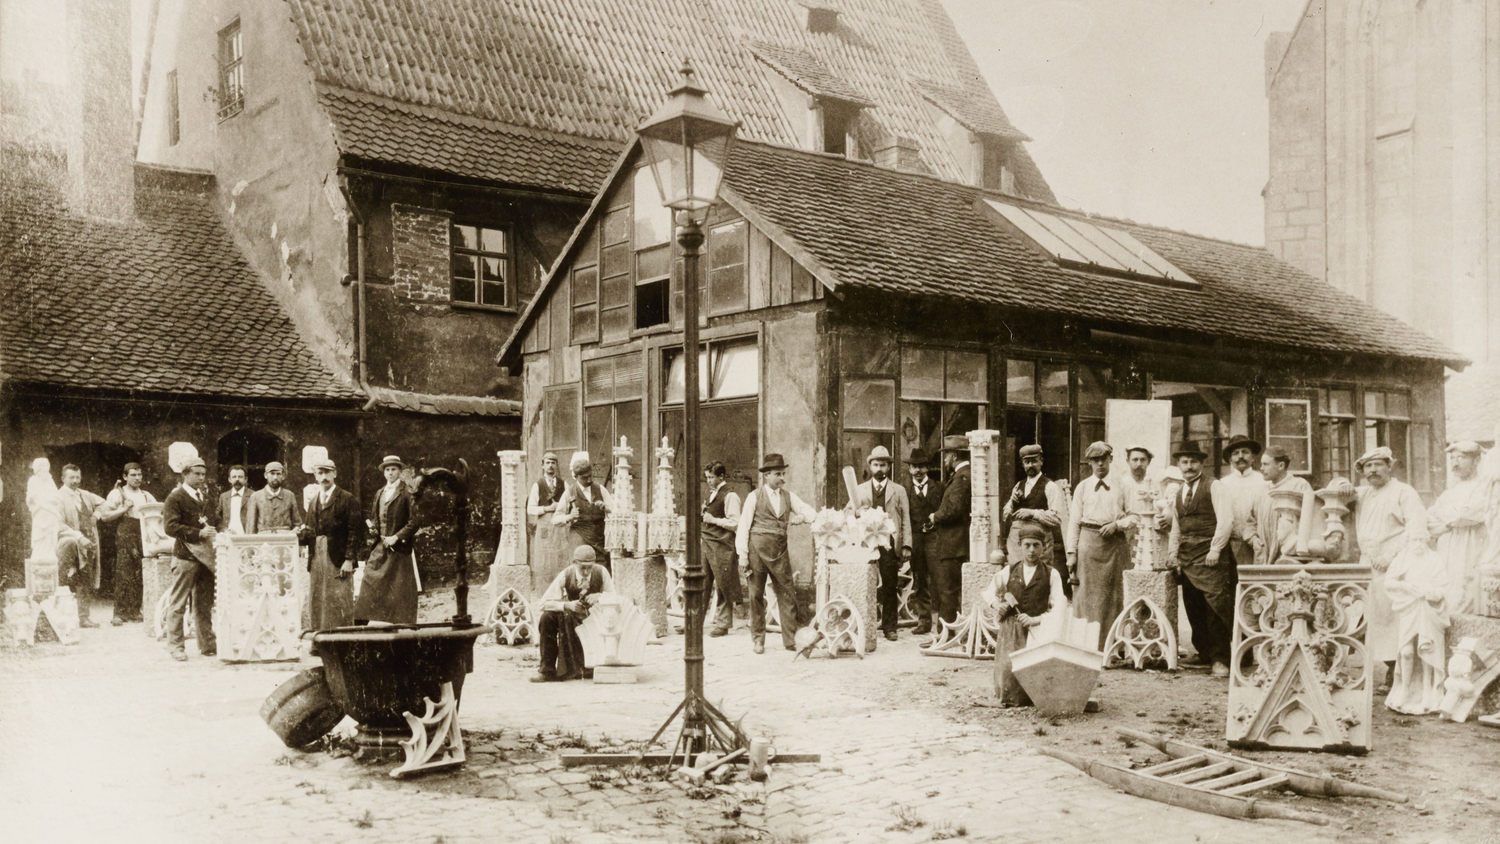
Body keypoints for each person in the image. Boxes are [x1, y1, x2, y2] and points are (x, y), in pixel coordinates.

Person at [1353, 446, 1429, 692]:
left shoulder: (1403, 492)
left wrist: (1390, 556)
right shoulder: (1364, 494)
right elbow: (1339, 490)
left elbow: (1416, 529)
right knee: (1368, 617)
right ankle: (1384, 670)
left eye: (1378, 464)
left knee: (1394, 619)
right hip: (1369, 564)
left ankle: (1398, 674)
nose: (1372, 470)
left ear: (1389, 466)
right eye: (1367, 466)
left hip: (1396, 564)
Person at [736, 453, 818, 654]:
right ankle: (758, 640)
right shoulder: (754, 497)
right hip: (756, 552)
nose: (783, 478)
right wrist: (743, 555)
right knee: (755, 595)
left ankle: (790, 640)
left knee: (788, 594)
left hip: (780, 553)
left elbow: (812, 513)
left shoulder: (789, 497)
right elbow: (743, 527)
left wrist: (801, 517)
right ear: (767, 476)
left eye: (783, 474)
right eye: (778, 474)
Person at [1168, 442, 1237, 677]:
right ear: (1178, 465)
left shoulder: (1214, 486)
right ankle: (1204, 653)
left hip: (1211, 557)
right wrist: (1172, 554)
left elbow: (1226, 520)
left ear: (1201, 463)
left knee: (1215, 608)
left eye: (1193, 461)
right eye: (1184, 462)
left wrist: (1216, 549)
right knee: (1193, 607)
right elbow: (1176, 527)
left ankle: (1220, 659)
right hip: (1188, 559)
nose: (1188, 466)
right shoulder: (1178, 493)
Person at [985, 523, 1067, 707]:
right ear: (1019, 546)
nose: (1031, 550)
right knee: (1008, 674)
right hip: (1010, 631)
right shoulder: (1009, 571)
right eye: (1027, 545)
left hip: (1036, 631)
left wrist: (1035, 619)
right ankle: (1007, 696)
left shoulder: (1051, 574)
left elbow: (1060, 606)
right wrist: (998, 605)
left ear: (1043, 547)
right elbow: (989, 592)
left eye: (1036, 545)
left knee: (1033, 676)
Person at [1065, 442, 1129, 648]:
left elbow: (1135, 516)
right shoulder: (1082, 487)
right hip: (1088, 543)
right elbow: (1074, 521)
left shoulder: (1122, 485)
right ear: (1089, 462)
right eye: (1095, 460)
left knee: (1114, 595)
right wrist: (1071, 552)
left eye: (1104, 458)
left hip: (1114, 545)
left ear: (1111, 458)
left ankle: (1111, 645)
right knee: (1086, 595)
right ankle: (1086, 645)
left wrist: (1117, 525)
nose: (1100, 463)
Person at [297, 458, 366, 639]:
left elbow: (355, 531)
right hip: (317, 557)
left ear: (334, 473)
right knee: (318, 598)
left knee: (338, 599)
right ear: (315, 477)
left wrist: (349, 560)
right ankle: (320, 641)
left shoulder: (347, 499)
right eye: (320, 473)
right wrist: (300, 534)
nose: (324, 477)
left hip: (338, 557)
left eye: (327, 472)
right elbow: (310, 530)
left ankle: (342, 641)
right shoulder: (313, 502)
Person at [850, 446, 913, 642]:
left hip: (889, 543)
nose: (879, 469)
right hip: (866, 544)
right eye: (876, 464)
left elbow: (906, 520)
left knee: (889, 584)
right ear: (870, 466)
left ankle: (890, 627)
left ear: (889, 467)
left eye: (883, 465)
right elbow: (847, 513)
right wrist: (856, 512)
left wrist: (906, 545)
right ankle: (864, 625)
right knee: (865, 583)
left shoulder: (899, 490)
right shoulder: (859, 490)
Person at [1384, 530, 1450, 714]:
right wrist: (1405, 586)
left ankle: (1427, 690)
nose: (1419, 543)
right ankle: (1404, 689)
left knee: (1426, 648)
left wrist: (1432, 594)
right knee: (1406, 651)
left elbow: (1443, 587)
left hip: (1428, 608)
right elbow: (1389, 582)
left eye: (1422, 539)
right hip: (1409, 607)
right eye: (1415, 539)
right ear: (1408, 541)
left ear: (1427, 540)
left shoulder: (1434, 559)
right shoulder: (1402, 558)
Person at [162, 457, 218, 661]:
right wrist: (198, 533)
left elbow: (215, 521)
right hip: (185, 556)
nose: (202, 478)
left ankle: (207, 645)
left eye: (204, 474)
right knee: (178, 603)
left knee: (204, 603)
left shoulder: (206, 497)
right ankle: (176, 646)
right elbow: (169, 527)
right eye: (197, 474)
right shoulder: (175, 497)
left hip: (206, 558)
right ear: (185, 474)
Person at [531, 545, 615, 682]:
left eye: (590, 566)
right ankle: (547, 671)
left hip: (594, 617)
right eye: (583, 567)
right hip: (571, 616)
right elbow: (542, 604)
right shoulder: (566, 574)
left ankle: (594, 667)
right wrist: (566, 605)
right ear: (575, 563)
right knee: (547, 618)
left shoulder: (601, 572)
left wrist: (600, 596)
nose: (587, 571)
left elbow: (614, 598)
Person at [353, 456, 420, 625]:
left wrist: (396, 537)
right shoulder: (380, 493)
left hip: (398, 549)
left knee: (399, 589)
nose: (390, 473)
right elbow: (375, 519)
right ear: (384, 473)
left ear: (400, 471)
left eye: (394, 469)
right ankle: (362, 621)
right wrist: (373, 529)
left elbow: (415, 521)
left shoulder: (407, 492)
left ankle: (403, 625)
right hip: (380, 547)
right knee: (369, 578)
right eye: (387, 470)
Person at [1428, 442, 1491, 613]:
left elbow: (1470, 514)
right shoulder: (1451, 492)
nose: (1455, 463)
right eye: (1453, 458)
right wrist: (1453, 519)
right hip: (1447, 549)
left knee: (1468, 593)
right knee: (1447, 592)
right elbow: (1431, 518)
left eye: (1461, 458)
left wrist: (1447, 521)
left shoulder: (1485, 487)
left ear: (1477, 460)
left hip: (1472, 548)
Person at [1003, 444, 1068, 598]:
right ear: (1023, 464)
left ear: (1041, 461)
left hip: (1039, 544)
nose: (1030, 465)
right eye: (1026, 462)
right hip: (1017, 544)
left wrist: (1032, 513)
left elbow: (1057, 518)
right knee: (1016, 581)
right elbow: (1006, 515)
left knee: (1039, 582)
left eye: (1034, 461)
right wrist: (1012, 502)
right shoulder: (1018, 486)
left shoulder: (1050, 486)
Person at [97, 462, 157, 625]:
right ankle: (119, 613)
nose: (138, 478)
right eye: (133, 475)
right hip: (125, 533)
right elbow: (104, 516)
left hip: (143, 533)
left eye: (140, 475)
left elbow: (156, 513)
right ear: (125, 477)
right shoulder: (117, 493)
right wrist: (124, 508)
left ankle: (135, 611)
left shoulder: (146, 495)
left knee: (140, 572)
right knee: (124, 572)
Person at [925, 436, 973, 628]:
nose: (944, 461)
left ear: (954, 456)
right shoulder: (965, 475)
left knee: (948, 592)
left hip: (954, 544)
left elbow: (954, 509)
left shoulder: (962, 477)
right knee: (950, 591)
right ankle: (948, 632)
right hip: (956, 543)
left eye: (946, 456)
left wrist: (934, 517)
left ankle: (946, 636)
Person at [56, 464, 107, 628]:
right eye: (71, 477)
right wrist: (79, 537)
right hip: (69, 544)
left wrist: (96, 516)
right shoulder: (57, 497)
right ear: (63, 478)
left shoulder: (85, 495)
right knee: (66, 579)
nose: (75, 481)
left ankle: (83, 617)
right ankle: (62, 618)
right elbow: (59, 524)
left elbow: (103, 503)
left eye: (78, 477)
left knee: (86, 580)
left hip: (89, 544)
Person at [902, 449, 943, 635]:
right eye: (914, 467)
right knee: (919, 580)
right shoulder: (905, 490)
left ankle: (943, 623)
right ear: (910, 469)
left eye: (921, 466)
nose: (918, 470)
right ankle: (924, 621)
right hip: (916, 540)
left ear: (927, 468)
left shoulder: (939, 487)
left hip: (934, 538)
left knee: (938, 579)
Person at [701, 461, 742, 637]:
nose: (708, 480)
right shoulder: (713, 494)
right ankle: (694, 622)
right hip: (708, 543)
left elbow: (735, 523)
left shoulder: (731, 496)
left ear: (721, 477)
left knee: (724, 583)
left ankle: (723, 624)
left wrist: (712, 520)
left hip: (722, 546)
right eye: (707, 477)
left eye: (711, 477)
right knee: (701, 582)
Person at [1219, 435, 1274, 567]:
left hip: (1259, 543)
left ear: (1253, 457)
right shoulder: (1222, 484)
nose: (1240, 457)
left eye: (1245, 452)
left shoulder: (1264, 481)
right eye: (1235, 453)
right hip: (1230, 545)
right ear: (1230, 459)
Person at [553, 452, 613, 570]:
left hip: (599, 538)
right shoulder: (569, 492)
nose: (589, 480)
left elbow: (615, 510)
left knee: (601, 568)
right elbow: (555, 519)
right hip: (579, 537)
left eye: (590, 475)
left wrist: (605, 507)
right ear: (576, 477)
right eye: (585, 477)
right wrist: (569, 517)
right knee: (580, 568)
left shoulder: (600, 489)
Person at [527, 452, 570, 594]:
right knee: (544, 558)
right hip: (544, 525)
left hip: (560, 526)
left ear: (556, 465)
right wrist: (547, 508)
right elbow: (530, 509)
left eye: (553, 462)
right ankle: (544, 592)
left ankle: (561, 591)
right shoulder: (538, 485)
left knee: (560, 556)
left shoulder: (564, 484)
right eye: (548, 462)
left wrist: (561, 507)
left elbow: (570, 504)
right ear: (543, 466)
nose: (550, 465)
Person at [1262, 445, 1314, 560]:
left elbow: (1310, 520)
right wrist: (1253, 539)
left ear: (1281, 466)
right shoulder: (1263, 490)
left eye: (1266, 464)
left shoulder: (1299, 485)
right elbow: (1250, 521)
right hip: (1264, 553)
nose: (1261, 468)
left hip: (1291, 554)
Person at [247, 461, 303, 533]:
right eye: (272, 474)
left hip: (285, 540)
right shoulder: (256, 496)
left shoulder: (290, 496)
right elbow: (251, 527)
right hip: (263, 540)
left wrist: (294, 531)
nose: (275, 477)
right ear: (265, 475)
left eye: (278, 474)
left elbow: (297, 523)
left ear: (283, 476)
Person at [219, 465, 251, 535]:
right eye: (234, 477)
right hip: (228, 536)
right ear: (229, 479)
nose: (237, 479)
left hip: (247, 536)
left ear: (246, 479)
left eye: (240, 477)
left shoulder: (253, 495)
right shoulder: (223, 497)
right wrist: (224, 530)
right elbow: (218, 518)